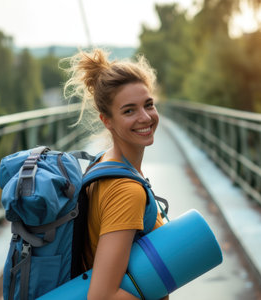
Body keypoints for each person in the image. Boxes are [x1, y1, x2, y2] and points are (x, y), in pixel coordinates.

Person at [63, 48, 168, 300]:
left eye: (148, 105)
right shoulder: (125, 190)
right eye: (129, 111)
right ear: (106, 120)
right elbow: (102, 296)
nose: (145, 117)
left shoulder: (103, 162)